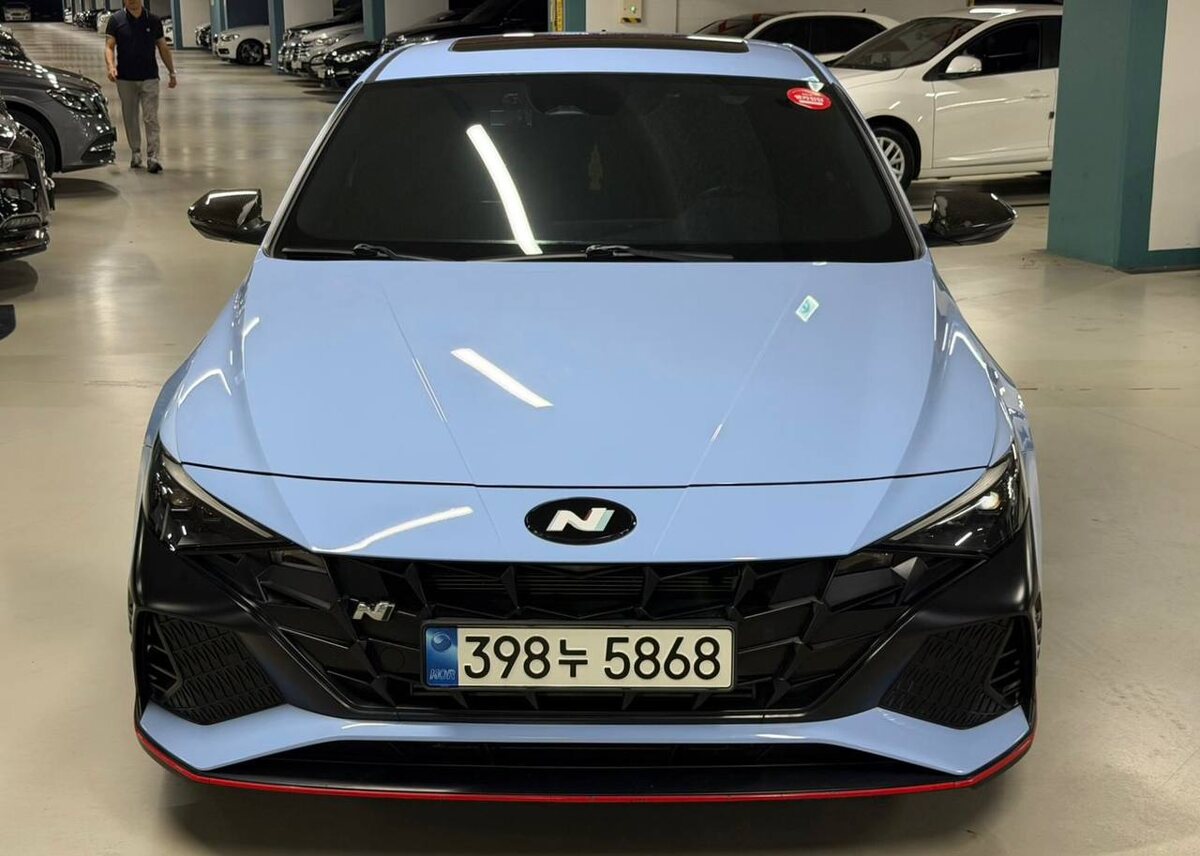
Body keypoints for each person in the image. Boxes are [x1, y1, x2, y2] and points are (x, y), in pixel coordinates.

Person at [104, 0, 177, 173]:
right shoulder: (116, 20)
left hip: (149, 77)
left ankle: (153, 156)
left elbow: (162, 47)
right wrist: (111, 67)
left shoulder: (153, 20)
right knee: (130, 117)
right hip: (125, 78)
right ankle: (136, 153)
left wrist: (171, 72)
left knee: (151, 118)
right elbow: (109, 47)